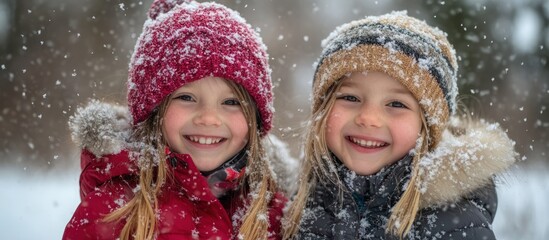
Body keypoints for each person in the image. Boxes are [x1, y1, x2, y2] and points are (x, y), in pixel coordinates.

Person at [62, 0, 291, 239]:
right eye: (186, 97)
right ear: (154, 111)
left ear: (255, 120)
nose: (209, 118)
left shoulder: (277, 215)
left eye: (231, 102)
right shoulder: (114, 210)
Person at [283, 11, 517, 239]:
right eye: (350, 98)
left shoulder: (455, 224)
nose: (369, 118)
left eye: (396, 103)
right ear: (321, 111)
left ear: (428, 127)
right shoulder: (301, 204)